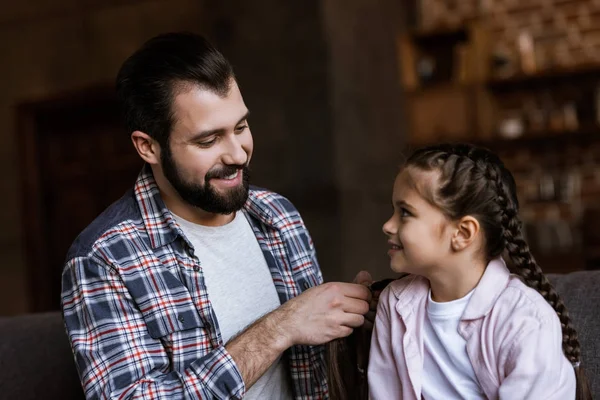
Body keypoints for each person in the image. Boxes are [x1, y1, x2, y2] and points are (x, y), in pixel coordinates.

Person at [61, 32, 372, 400]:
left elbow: (318, 376)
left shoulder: (279, 216)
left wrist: (365, 326)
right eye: (208, 141)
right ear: (148, 147)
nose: (237, 154)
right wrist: (279, 327)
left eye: (241, 128)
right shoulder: (104, 258)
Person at [367, 143, 591, 400]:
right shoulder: (394, 304)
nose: (387, 225)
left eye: (405, 212)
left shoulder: (525, 321)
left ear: (462, 234)